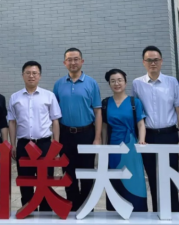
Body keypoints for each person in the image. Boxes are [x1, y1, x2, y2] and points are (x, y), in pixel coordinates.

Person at [132, 46, 179, 213]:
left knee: (170, 177)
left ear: (161, 61)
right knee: (153, 177)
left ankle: (174, 215)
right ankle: (157, 214)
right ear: (144, 62)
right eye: (149, 60)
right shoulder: (137, 83)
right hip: (148, 137)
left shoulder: (172, 82)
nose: (153, 63)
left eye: (156, 60)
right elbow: (137, 113)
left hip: (169, 135)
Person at [8, 61, 62, 211]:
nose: (31, 76)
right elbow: (12, 122)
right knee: (26, 180)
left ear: (39, 76)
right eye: (28, 73)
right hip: (24, 145)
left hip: (44, 144)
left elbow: (55, 121)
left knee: (46, 180)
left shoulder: (49, 96)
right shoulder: (15, 97)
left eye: (34, 73)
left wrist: (56, 144)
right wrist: (13, 144)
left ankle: (46, 211)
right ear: (22, 75)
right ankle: (28, 209)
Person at [54, 48, 102, 212]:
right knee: (68, 173)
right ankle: (72, 207)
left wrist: (97, 138)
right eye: (69, 59)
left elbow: (97, 111)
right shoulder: (59, 84)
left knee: (87, 172)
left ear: (82, 61)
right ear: (64, 63)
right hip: (66, 134)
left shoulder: (91, 83)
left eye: (76, 59)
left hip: (86, 134)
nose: (73, 62)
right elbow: (55, 114)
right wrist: (56, 140)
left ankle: (88, 208)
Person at [102, 69, 148, 212]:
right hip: (113, 147)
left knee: (134, 178)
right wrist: (103, 147)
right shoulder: (105, 103)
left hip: (131, 146)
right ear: (109, 84)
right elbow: (104, 127)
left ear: (125, 82)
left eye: (119, 80)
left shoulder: (135, 102)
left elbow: (141, 124)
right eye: (113, 81)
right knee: (114, 177)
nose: (117, 83)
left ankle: (138, 210)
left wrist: (141, 140)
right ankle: (115, 211)